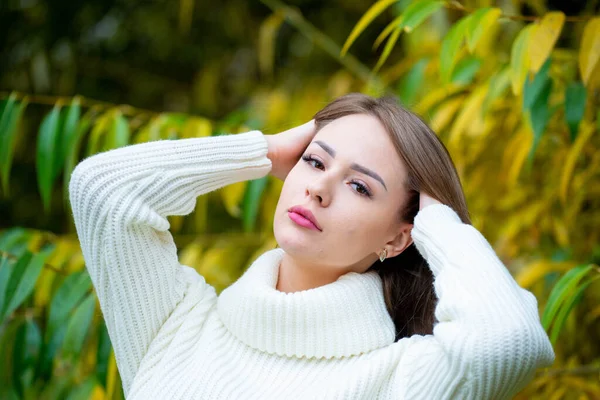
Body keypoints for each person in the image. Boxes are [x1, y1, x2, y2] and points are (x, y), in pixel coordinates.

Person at [68, 93, 555, 399]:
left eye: (360, 187)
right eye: (316, 163)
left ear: (399, 236)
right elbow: (103, 192)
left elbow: (508, 342)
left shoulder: (396, 381)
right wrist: (265, 151)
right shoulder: (177, 327)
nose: (318, 189)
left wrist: (438, 223)